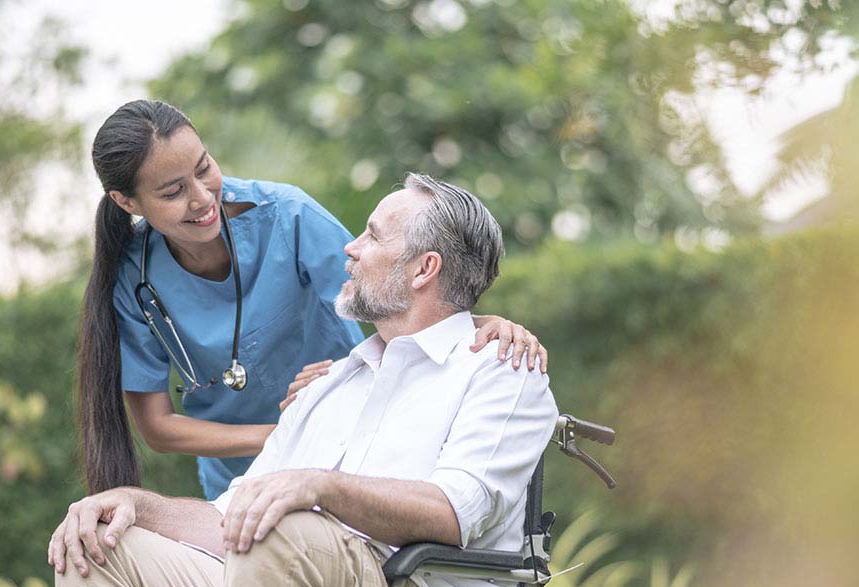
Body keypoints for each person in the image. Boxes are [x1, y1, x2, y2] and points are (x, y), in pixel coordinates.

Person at [50, 173, 558, 587]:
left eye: (373, 235)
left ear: (424, 269)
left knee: (288, 529)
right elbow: (233, 515)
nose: (351, 248)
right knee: (96, 550)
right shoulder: (330, 383)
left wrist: (321, 488)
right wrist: (132, 503)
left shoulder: (500, 371)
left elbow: (454, 511)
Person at [79, 100, 548, 500]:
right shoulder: (131, 278)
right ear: (128, 203)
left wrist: (482, 321)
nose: (202, 198)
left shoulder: (288, 216)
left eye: (204, 169)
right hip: (237, 478)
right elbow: (159, 427)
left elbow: (397, 289)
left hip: (343, 458)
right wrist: (291, 432)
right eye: (173, 192)